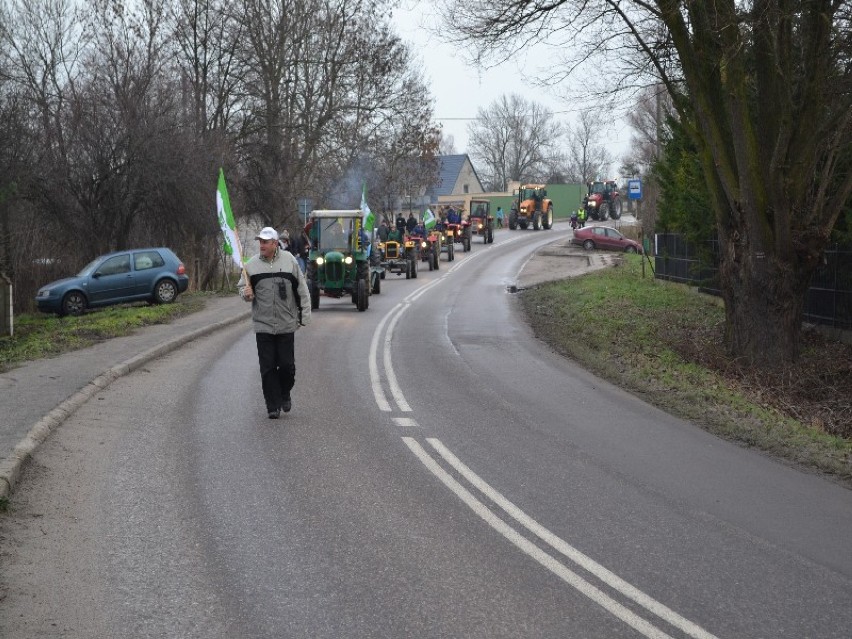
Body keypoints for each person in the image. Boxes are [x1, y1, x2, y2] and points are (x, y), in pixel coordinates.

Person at [239, 226, 311, 419]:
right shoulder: (251, 265)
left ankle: (284, 392)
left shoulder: (290, 261)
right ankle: (272, 405)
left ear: (274, 243)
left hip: (286, 322)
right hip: (263, 324)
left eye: (265, 242)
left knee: (287, 366)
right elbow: (242, 289)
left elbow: (302, 289)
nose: (261, 245)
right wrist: (245, 294)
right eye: (260, 242)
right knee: (268, 367)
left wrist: (305, 315)